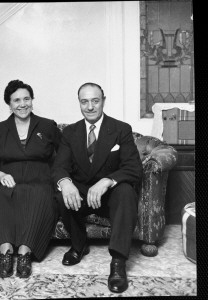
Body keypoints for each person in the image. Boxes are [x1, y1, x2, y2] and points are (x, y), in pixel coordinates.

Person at [52, 82, 142, 293]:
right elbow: (59, 168)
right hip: (81, 195)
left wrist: (107, 181)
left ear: (103, 101)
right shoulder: (70, 132)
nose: (90, 106)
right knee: (60, 191)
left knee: (126, 191)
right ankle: (79, 245)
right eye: (85, 101)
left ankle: (118, 262)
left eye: (95, 101)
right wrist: (65, 183)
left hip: (110, 195)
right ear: (79, 103)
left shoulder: (121, 129)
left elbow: (134, 169)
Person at [0, 79, 61, 278]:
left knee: (39, 192)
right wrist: (0, 174)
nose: (22, 104)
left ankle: (24, 252)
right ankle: (6, 251)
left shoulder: (48, 126)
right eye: (16, 100)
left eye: (26, 99)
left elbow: (63, 155)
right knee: (4, 193)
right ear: (9, 104)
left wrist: (61, 179)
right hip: (10, 179)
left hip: (41, 179)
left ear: (32, 100)